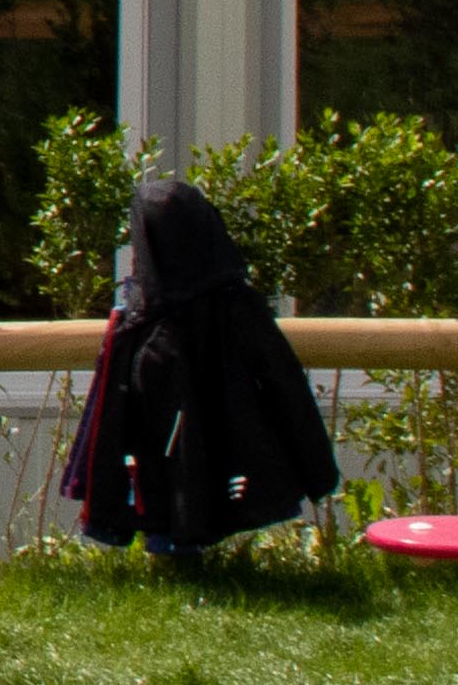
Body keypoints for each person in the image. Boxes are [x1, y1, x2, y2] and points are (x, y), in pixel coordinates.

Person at [59, 175, 338, 559]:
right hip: (225, 457)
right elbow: (285, 384)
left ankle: (176, 554)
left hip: (182, 466)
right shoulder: (231, 306)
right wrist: (318, 472)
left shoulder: (140, 322)